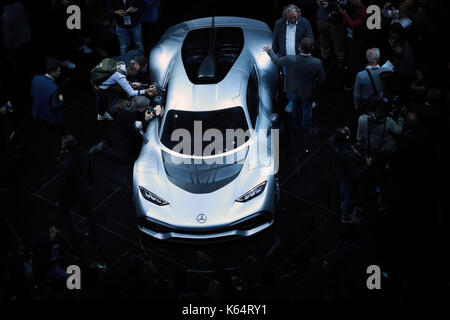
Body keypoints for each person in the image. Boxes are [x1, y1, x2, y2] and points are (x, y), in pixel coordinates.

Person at [263, 38, 325, 152]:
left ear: (299, 48)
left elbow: (276, 61)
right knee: (307, 110)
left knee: (295, 106)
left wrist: (269, 50)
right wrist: (313, 85)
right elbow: (322, 79)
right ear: (311, 49)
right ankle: (306, 131)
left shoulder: (290, 59)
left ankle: (296, 126)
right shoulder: (317, 63)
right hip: (307, 91)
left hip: (292, 90)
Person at [91, 96, 163, 162]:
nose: (147, 108)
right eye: (145, 107)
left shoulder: (129, 105)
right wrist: (145, 119)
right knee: (122, 156)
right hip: (119, 134)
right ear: (140, 108)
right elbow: (133, 130)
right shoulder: (129, 114)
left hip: (116, 126)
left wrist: (157, 105)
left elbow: (151, 102)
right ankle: (103, 148)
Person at [56, 135, 97, 246]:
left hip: (72, 194)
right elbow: (90, 172)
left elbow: (62, 184)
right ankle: (94, 237)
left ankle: (74, 240)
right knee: (89, 214)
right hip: (84, 189)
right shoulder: (85, 155)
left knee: (64, 214)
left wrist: (59, 199)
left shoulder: (64, 164)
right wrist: (90, 185)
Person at [330, 127, 372, 223]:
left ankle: (343, 204)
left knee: (343, 189)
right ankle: (346, 216)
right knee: (348, 194)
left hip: (339, 170)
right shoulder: (349, 156)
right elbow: (354, 174)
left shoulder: (332, 142)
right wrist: (367, 165)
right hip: (347, 176)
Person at [31, 58, 65, 131]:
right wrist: (61, 100)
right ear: (53, 72)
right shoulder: (54, 87)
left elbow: (32, 94)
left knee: (47, 129)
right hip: (50, 116)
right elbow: (55, 105)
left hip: (38, 112)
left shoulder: (35, 78)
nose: (60, 72)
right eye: (58, 71)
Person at [315, 0, 346, 68]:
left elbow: (344, 4)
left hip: (335, 19)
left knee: (337, 42)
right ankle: (326, 61)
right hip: (322, 19)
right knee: (325, 42)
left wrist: (330, 4)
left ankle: (339, 62)